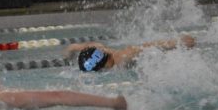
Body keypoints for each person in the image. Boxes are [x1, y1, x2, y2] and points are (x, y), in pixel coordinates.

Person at [0, 71, 127, 110]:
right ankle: (111, 102)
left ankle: (110, 102)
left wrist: (112, 103)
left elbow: (59, 96)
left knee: (57, 96)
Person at [64, 35, 196, 70]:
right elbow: (72, 47)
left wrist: (178, 43)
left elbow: (150, 46)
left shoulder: (125, 57)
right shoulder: (96, 48)